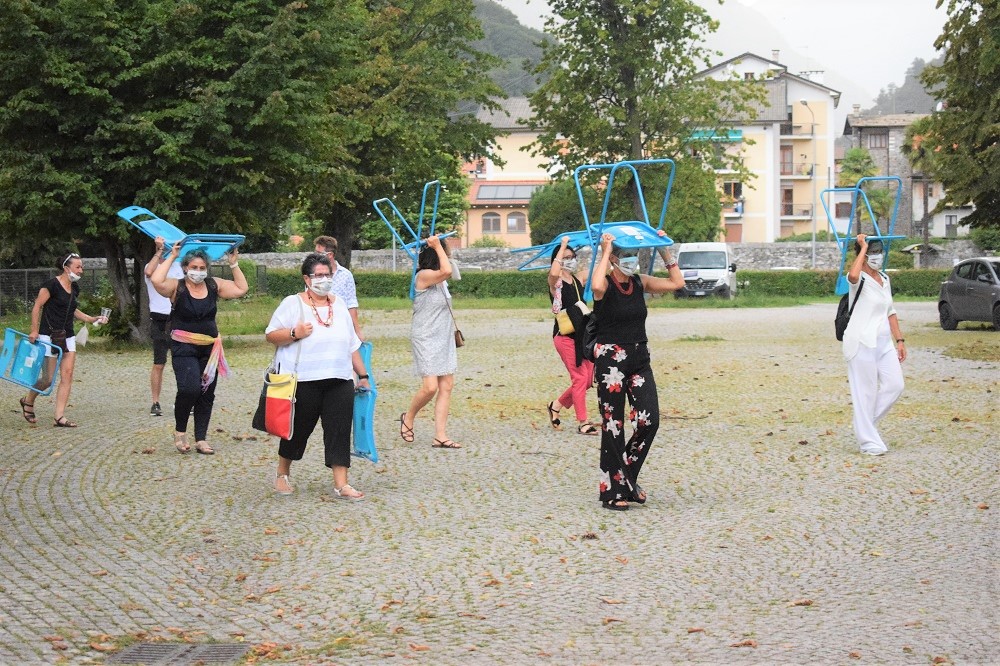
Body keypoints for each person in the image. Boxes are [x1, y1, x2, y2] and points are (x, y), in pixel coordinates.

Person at [590, 233, 685, 510]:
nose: (632, 260)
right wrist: (605, 251)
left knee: (649, 420)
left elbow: (677, 283)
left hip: (639, 358)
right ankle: (613, 492)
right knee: (613, 425)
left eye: (635, 255)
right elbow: (595, 285)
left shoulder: (639, 281)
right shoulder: (605, 284)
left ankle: (626, 478)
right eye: (626, 255)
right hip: (611, 360)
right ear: (615, 258)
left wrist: (664, 250)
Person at [265, 253, 370, 497]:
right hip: (304, 380)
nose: (324, 279)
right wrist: (294, 333)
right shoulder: (293, 303)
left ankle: (342, 483)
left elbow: (352, 344)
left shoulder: (339, 304)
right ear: (307, 278)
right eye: (318, 275)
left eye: (327, 274)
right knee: (298, 430)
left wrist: (363, 374)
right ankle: (282, 473)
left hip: (340, 379)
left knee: (339, 430)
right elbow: (271, 335)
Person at [151, 242, 248, 455]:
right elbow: (156, 280)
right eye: (194, 267)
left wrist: (234, 264)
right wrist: (172, 255)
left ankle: (201, 438)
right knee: (189, 389)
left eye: (202, 268)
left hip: (210, 348)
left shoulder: (213, 285)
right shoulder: (177, 287)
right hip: (183, 346)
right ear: (185, 268)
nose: (198, 271)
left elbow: (241, 288)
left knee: (206, 393)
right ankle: (180, 431)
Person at [19, 253, 108, 427]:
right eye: (78, 267)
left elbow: (72, 309)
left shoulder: (74, 288)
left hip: (68, 336)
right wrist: (34, 330)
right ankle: (28, 401)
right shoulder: (51, 286)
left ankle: (59, 417)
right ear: (67, 268)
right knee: (47, 379)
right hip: (49, 335)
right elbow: (37, 306)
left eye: (81, 267)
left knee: (67, 375)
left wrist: (91, 319)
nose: (81, 270)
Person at [842, 234, 906, 456]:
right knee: (865, 393)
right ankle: (869, 443)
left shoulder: (884, 279)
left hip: (884, 343)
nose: (877, 257)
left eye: (880, 252)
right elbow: (852, 275)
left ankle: (864, 424)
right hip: (861, 342)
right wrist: (862, 247)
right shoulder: (858, 278)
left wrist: (899, 340)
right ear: (864, 255)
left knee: (895, 385)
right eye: (873, 253)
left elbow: (890, 311)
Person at [399, 235, 461, 449]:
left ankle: (440, 436)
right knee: (430, 387)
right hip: (425, 337)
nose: (449, 254)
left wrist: (438, 248)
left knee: (447, 385)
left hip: (443, 336)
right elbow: (447, 270)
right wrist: (436, 245)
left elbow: (450, 271)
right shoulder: (423, 276)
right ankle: (408, 417)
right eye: (445, 251)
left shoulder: (441, 280)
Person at [546, 235, 598, 435]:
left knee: (587, 380)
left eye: (572, 257)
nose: (570, 260)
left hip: (582, 336)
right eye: (565, 258)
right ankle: (583, 422)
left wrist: (607, 247)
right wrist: (563, 245)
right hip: (565, 336)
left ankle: (556, 405)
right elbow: (553, 272)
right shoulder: (555, 282)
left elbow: (600, 269)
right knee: (579, 378)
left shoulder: (578, 279)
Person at [143, 237, 184, 416]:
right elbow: (149, 272)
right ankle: (155, 402)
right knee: (159, 363)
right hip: (159, 319)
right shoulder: (151, 266)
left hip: (177, 318)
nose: (166, 250)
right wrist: (158, 251)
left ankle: (182, 400)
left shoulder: (178, 267)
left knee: (181, 362)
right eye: (163, 248)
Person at [314, 235, 363, 340]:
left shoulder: (346, 275)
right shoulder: (312, 275)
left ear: (330, 255)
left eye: (318, 253)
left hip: (341, 326)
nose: (315, 256)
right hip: (319, 325)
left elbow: (351, 304)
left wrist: (357, 331)